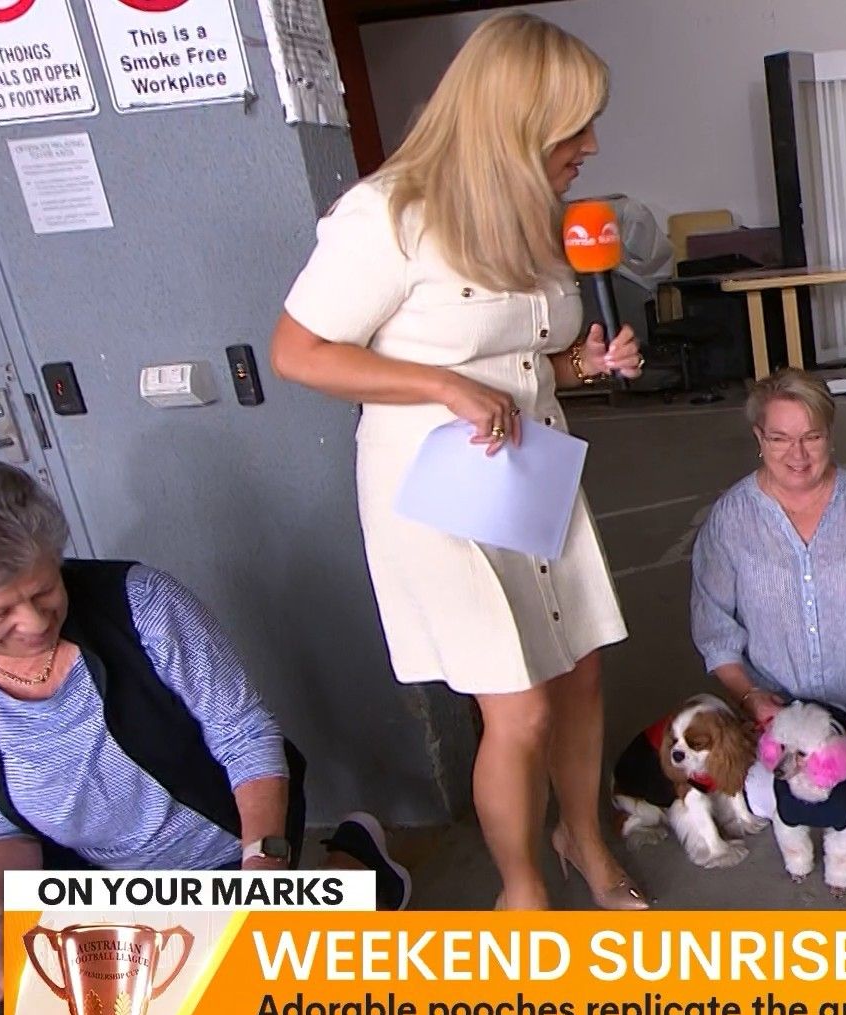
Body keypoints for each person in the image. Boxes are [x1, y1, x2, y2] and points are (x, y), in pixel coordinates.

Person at [270, 13, 646, 912]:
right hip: (438, 494)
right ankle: (522, 886)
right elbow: (298, 352)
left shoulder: (527, 214)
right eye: (574, 126)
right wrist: (440, 385)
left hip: (530, 473)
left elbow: (525, 362)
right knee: (519, 706)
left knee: (580, 670)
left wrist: (583, 364)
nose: (591, 146)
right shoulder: (388, 215)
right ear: (513, 121)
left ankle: (583, 837)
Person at [0, 459, 408, 1015]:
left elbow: (247, 739)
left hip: (219, 855)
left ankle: (352, 879)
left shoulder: (141, 603)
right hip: (84, 870)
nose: (32, 622)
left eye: (44, 590)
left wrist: (263, 870)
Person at [690, 370, 846, 735]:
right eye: (779, 438)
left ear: (830, 436)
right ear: (759, 437)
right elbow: (714, 627)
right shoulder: (730, 518)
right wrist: (750, 697)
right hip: (777, 709)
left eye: (812, 437)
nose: (798, 454)